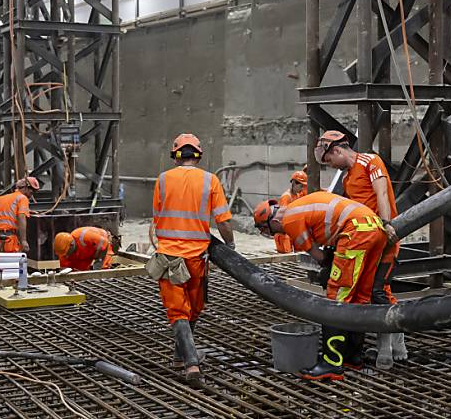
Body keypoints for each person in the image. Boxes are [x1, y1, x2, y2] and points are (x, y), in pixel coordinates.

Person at [253, 191, 387, 381]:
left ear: (272, 221)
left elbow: (320, 257)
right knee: (359, 297)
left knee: (335, 298)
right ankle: (352, 357)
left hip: (355, 233)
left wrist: (328, 268)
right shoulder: (299, 207)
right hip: (375, 228)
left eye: (267, 231)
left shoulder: (290, 221)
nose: (275, 234)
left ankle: (331, 363)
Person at [315, 130, 407, 369]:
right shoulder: (346, 179)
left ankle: (388, 343)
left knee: (378, 290)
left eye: (329, 160)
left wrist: (386, 224)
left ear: (336, 150)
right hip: (365, 241)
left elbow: (382, 194)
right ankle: (394, 339)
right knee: (370, 291)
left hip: (383, 238)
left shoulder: (370, 162)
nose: (331, 165)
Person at [150, 133, 236, 383]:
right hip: (197, 257)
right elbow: (223, 221)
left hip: (168, 257)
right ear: (198, 155)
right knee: (193, 308)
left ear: (176, 155)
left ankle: (186, 361)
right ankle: (187, 361)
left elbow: (157, 216)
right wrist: (229, 245)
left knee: (179, 311)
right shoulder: (211, 180)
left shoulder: (163, 180)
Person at [0, 177, 39, 253]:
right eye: (31, 192)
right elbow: (21, 218)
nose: (31, 195)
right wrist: (23, 240)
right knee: (11, 264)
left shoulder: (5, 197)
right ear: (25, 188)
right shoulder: (23, 198)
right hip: (8, 239)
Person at [274, 170, 308, 253]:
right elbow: (281, 219)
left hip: (292, 230)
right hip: (284, 232)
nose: (302, 188)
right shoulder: (286, 197)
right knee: (286, 254)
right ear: (294, 183)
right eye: (301, 186)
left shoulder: (297, 195)